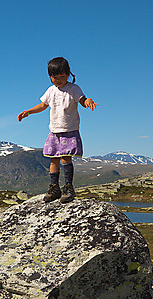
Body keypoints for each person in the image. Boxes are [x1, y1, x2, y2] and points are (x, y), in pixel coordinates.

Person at [18, 57, 97, 203]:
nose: (59, 80)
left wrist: (88, 101)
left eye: (62, 76)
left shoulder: (73, 89)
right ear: (50, 77)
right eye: (55, 77)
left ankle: (68, 187)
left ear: (68, 74)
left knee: (66, 158)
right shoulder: (50, 91)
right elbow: (43, 105)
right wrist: (28, 112)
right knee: (53, 159)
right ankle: (54, 188)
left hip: (69, 130)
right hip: (54, 131)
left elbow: (82, 100)